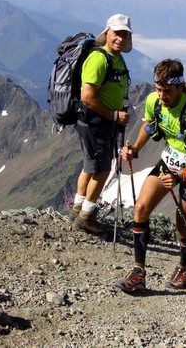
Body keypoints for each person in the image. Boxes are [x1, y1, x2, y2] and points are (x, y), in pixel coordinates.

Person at [114, 58, 186, 292]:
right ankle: (138, 272)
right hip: (168, 162)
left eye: (168, 91)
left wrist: (182, 176)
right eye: (158, 89)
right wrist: (135, 149)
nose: (162, 96)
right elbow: (149, 126)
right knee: (141, 208)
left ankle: (183, 267)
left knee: (182, 223)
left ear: (181, 86)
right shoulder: (154, 101)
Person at [70, 14, 132, 235]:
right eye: (117, 33)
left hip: (100, 122)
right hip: (95, 122)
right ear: (107, 33)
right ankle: (86, 217)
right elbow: (87, 96)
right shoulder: (99, 59)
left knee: (90, 165)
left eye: (125, 35)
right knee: (102, 168)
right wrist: (115, 116)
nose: (120, 39)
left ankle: (77, 209)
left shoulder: (116, 59)